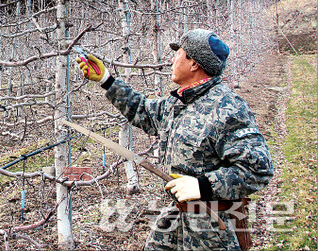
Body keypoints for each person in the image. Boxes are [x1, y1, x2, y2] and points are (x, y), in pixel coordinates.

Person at [76, 29, 274, 250]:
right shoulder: (179, 102)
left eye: (178, 53)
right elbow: (142, 110)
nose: (172, 60)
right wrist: (107, 80)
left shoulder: (227, 107)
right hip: (176, 217)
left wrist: (203, 185)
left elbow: (258, 169)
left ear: (193, 64)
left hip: (212, 229)